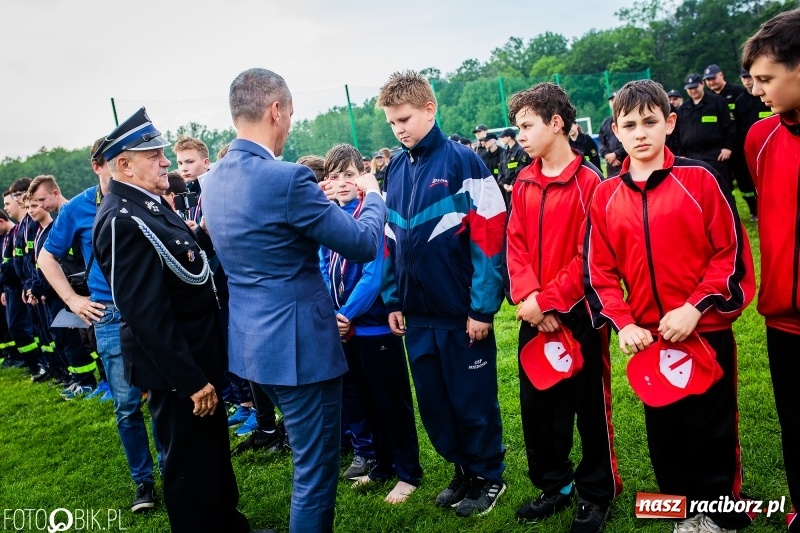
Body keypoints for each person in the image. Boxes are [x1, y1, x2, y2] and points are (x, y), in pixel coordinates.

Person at [201, 68, 386, 533]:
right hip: (300, 349)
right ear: (276, 111)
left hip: (252, 343)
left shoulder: (213, 179)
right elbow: (363, 244)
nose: (289, 124)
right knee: (315, 470)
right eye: (290, 114)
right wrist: (373, 195)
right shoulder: (286, 179)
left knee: (309, 460)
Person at [585, 79, 755, 533]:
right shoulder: (605, 195)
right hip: (650, 340)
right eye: (629, 125)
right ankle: (682, 512)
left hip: (705, 331)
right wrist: (624, 323)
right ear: (615, 132)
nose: (640, 133)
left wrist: (695, 308)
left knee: (712, 427)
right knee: (665, 432)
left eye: (650, 122)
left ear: (670, 122)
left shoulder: (701, 179)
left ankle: (722, 513)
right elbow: (599, 272)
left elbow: (731, 254)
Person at [377, 70, 507, 517]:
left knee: (472, 402)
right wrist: (393, 299)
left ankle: (489, 476)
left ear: (430, 109)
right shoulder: (395, 168)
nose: (399, 129)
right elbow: (390, 239)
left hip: (461, 314)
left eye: (405, 119)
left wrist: (482, 308)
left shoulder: (463, 161)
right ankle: (463, 470)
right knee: (435, 404)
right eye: (392, 123)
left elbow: (491, 237)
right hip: (417, 316)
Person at [506, 83, 621, 533]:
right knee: (538, 406)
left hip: (580, 315)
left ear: (556, 123)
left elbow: (589, 255)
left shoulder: (591, 182)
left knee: (589, 409)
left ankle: (596, 493)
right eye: (518, 127)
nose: (520, 135)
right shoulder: (523, 180)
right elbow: (514, 244)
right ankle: (555, 485)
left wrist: (548, 300)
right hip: (534, 313)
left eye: (527, 125)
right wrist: (530, 298)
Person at [38, 136, 160, 514]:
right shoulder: (77, 207)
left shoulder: (143, 195)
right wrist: (73, 300)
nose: (122, 166)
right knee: (127, 405)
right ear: (98, 166)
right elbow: (46, 258)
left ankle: (175, 471)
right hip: (108, 315)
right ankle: (144, 481)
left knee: (163, 396)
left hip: (151, 310)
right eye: (114, 160)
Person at [321, 143, 422, 503]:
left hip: (375, 327)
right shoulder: (331, 219)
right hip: (346, 332)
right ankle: (381, 466)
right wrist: (335, 314)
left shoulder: (371, 215)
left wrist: (346, 314)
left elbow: (373, 275)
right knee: (366, 403)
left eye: (349, 174)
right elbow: (323, 267)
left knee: (391, 404)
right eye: (335, 176)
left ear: (363, 175)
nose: (342, 182)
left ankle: (408, 473)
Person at [742, 9, 800, 532]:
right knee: (794, 426)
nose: (757, 90)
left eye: (766, 78)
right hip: (783, 318)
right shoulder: (759, 138)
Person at [678, 73, 736, 190]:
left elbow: (729, 126)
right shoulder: (684, 108)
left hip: (715, 155)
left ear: (702, 84)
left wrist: (728, 147)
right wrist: (682, 154)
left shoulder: (718, 102)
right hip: (692, 156)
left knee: (720, 188)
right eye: (690, 88)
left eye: (695, 87)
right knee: (698, 189)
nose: (693, 90)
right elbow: (679, 133)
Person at [733, 67, 773, 222]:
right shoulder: (740, 101)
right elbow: (738, 125)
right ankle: (755, 210)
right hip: (750, 146)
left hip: (770, 143)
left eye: (749, 77)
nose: (747, 80)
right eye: (744, 77)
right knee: (750, 180)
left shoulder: (766, 95)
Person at [174, 135, 208, 224]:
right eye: (180, 163)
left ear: (206, 163)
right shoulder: (188, 192)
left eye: (189, 162)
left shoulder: (217, 189)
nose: (184, 168)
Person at [498, 127, 531, 208]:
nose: (501, 139)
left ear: (509, 137)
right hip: (506, 188)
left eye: (503, 137)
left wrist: (513, 184)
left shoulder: (521, 151)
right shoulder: (504, 153)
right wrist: (503, 184)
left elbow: (521, 169)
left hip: (518, 186)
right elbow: (500, 170)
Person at [598, 93, 627, 178]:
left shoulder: (628, 120)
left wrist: (616, 154)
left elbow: (630, 139)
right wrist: (607, 155)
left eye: (616, 99)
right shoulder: (605, 123)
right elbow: (601, 142)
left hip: (626, 161)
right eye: (611, 100)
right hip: (611, 165)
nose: (613, 102)